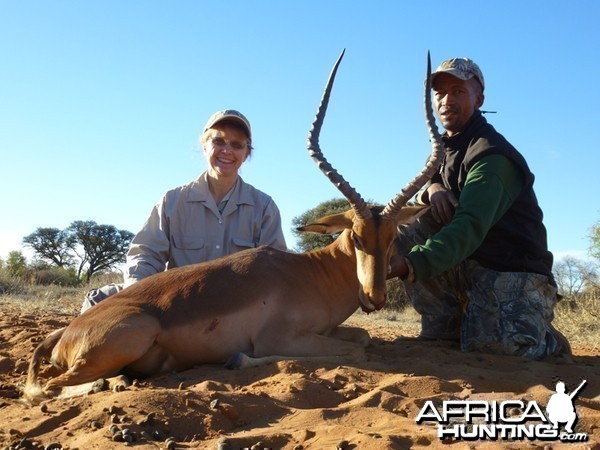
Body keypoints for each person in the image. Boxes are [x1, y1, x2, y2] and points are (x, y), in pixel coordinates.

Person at [390, 57, 571, 360]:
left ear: (479, 99)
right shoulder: (444, 147)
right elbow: (430, 182)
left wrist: (405, 265)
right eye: (440, 93)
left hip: (511, 270)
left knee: (496, 348)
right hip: (471, 264)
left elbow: (468, 226)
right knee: (402, 225)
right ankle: (442, 327)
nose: (447, 100)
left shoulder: (492, 154)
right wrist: (431, 191)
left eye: (458, 91)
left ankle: (548, 340)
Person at [81, 109, 286, 313]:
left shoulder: (264, 207)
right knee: (97, 301)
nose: (227, 150)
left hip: (233, 312)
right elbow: (146, 253)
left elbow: (275, 273)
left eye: (236, 144)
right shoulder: (172, 200)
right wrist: (138, 296)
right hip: (176, 303)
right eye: (219, 141)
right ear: (204, 145)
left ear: (246, 152)